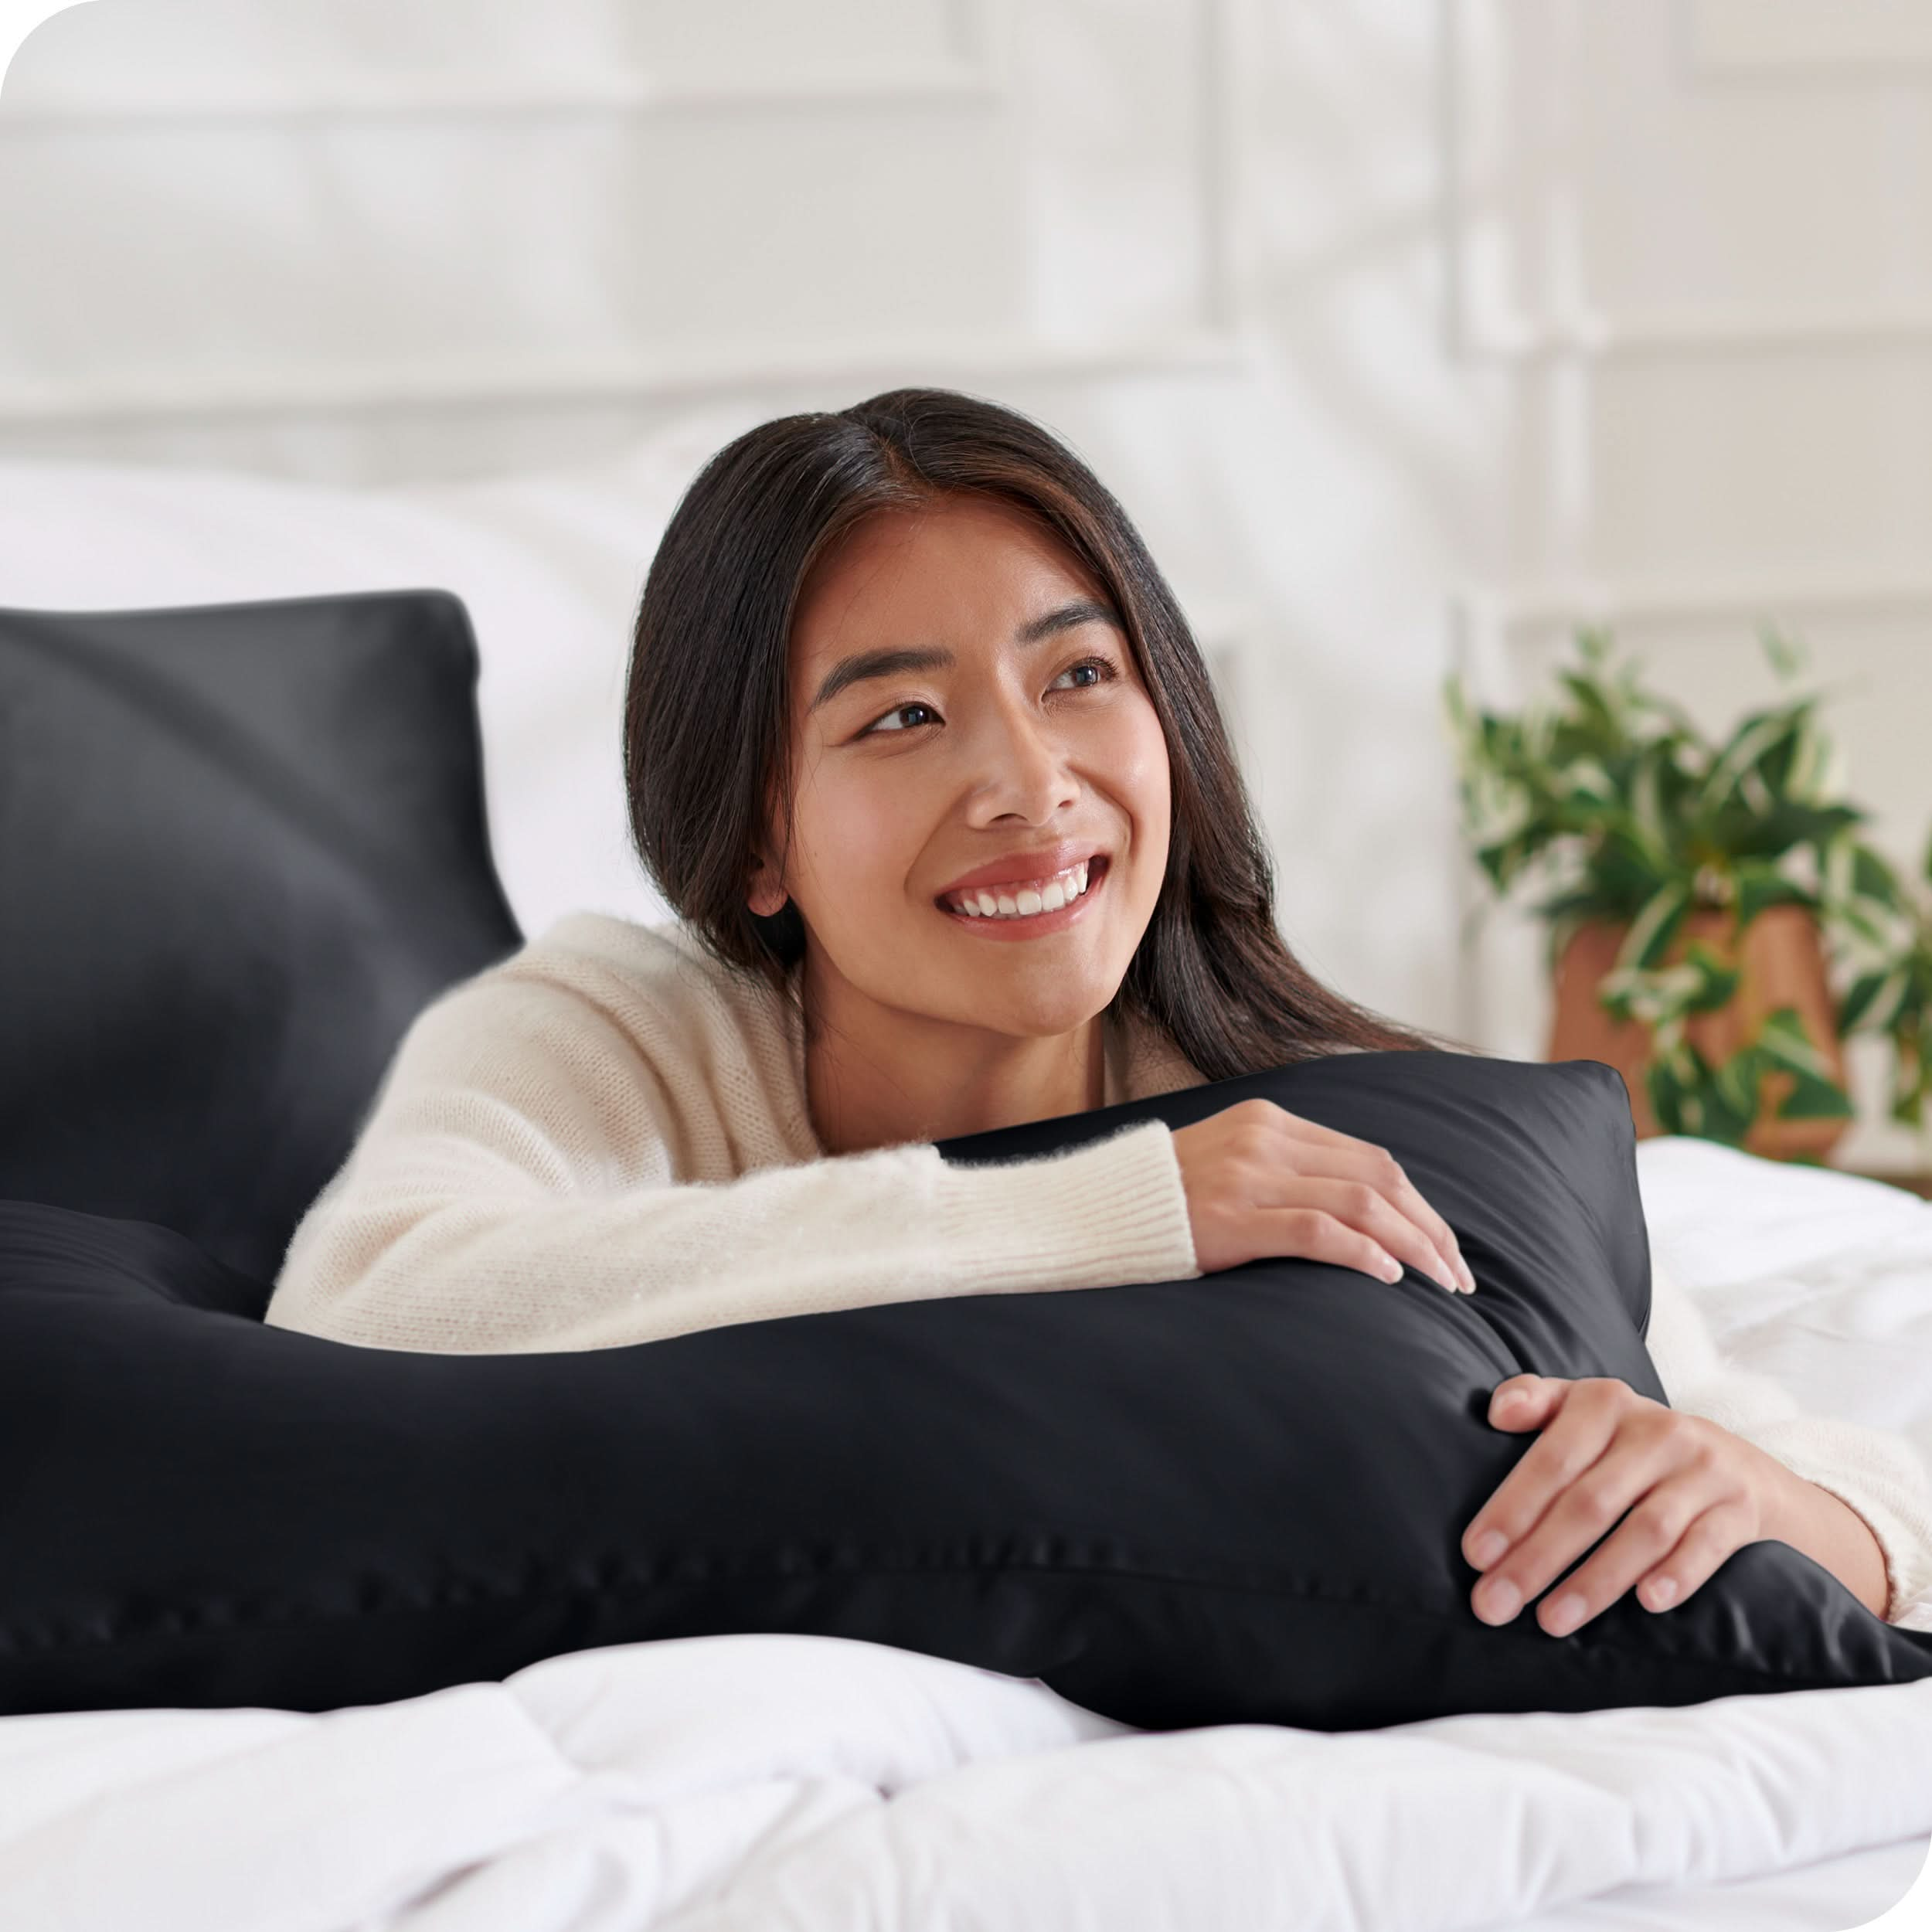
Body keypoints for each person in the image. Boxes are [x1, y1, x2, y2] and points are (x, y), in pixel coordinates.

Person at [264, 386, 1931, 1635]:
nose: (1026, 782)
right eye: (903, 714)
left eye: (1078, 676)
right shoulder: (620, 1027)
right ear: (757, 835)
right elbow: (370, 1302)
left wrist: (1787, 1505)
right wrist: (1113, 1213)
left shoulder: (1321, 1110)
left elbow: (1821, 1474)